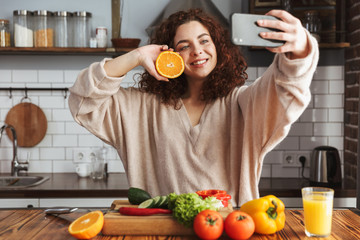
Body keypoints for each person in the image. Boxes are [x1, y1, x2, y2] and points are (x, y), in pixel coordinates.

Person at [69, 8, 319, 207]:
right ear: (172, 55)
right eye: (184, 46)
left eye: (204, 41)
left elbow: (286, 89)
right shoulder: (141, 108)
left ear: (218, 48)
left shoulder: (243, 104)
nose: (197, 50)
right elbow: (83, 101)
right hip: (162, 233)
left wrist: (300, 49)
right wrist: (135, 56)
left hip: (230, 232)